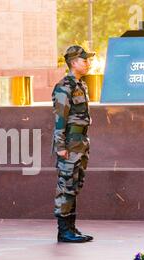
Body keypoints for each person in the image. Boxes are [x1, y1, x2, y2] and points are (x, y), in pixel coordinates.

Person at [52, 45, 95, 243]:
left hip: (80, 143)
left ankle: (71, 227)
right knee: (66, 186)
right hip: (69, 143)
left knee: (75, 184)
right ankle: (63, 231)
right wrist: (61, 146)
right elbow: (60, 118)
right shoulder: (64, 87)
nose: (88, 63)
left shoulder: (81, 85)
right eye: (84, 60)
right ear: (73, 62)